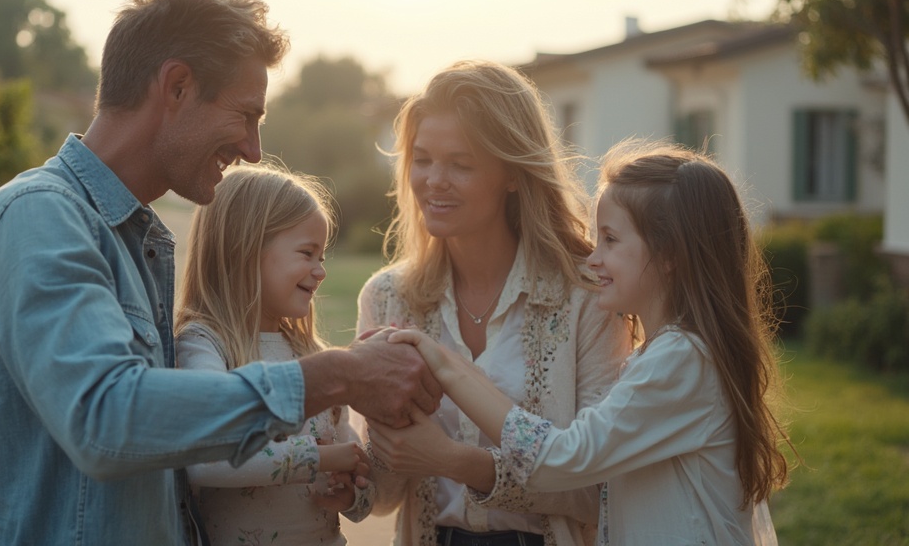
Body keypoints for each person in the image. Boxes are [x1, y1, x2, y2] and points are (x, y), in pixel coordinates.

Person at [0, 0, 438, 545]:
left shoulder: (135, 242)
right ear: (177, 86)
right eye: (246, 115)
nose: (254, 150)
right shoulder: (39, 217)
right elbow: (106, 419)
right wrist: (336, 376)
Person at [385, 139, 795, 545]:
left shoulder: (683, 360)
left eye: (611, 240)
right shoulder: (662, 355)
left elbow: (564, 458)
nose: (594, 258)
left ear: (670, 254)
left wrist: (447, 368)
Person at [357, 60, 633, 546]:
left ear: (512, 173)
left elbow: (601, 491)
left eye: (461, 164)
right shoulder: (387, 297)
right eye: (422, 159)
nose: (434, 181)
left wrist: (454, 461)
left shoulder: (588, 297)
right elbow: (380, 498)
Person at [175, 163, 375, 545]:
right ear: (245, 249)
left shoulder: (314, 357)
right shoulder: (204, 346)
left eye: (323, 257)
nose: (320, 272)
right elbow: (207, 460)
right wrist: (322, 458)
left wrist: (353, 491)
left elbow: (360, 496)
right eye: (307, 253)